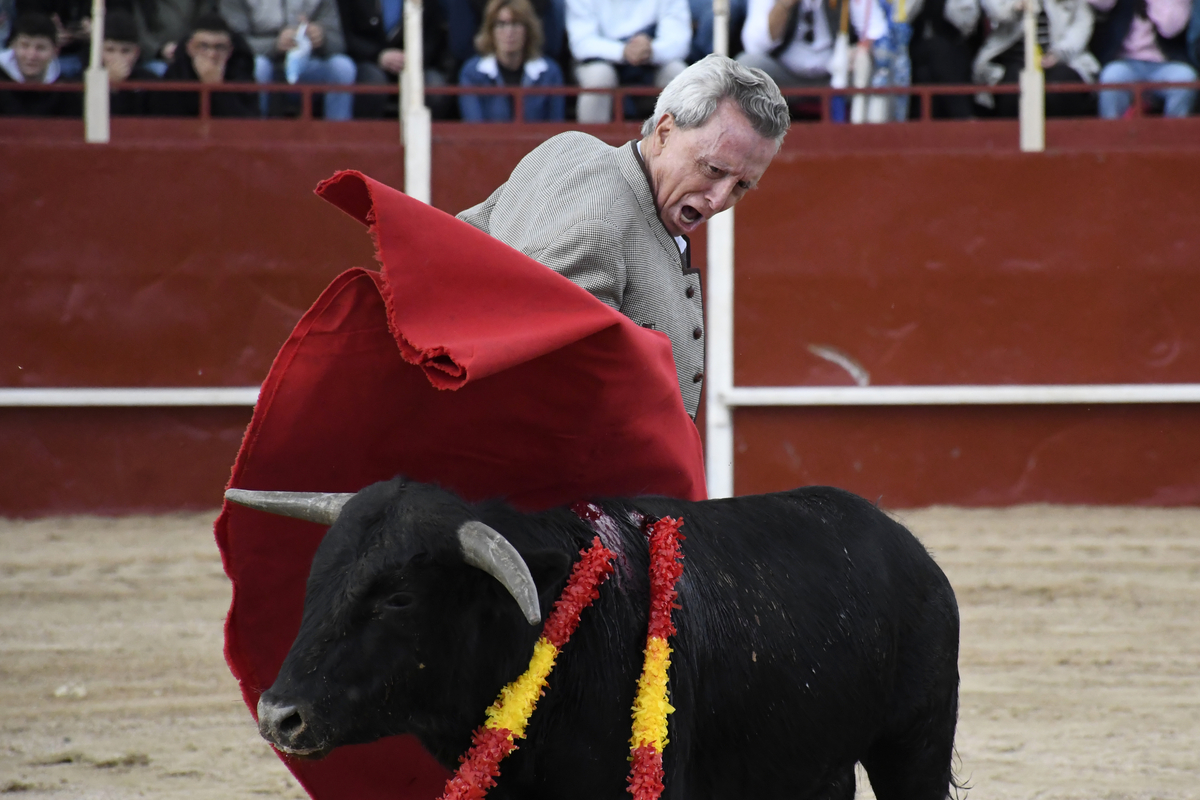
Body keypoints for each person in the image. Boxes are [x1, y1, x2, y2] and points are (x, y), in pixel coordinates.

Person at [457, 55, 788, 418]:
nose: (720, 199)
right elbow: (547, 390)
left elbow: (465, 237)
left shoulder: (568, 147)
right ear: (663, 133)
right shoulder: (602, 228)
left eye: (742, 185)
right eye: (713, 169)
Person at [218, 0, 356, 119]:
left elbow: (339, 44)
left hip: (306, 66)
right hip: (266, 64)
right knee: (259, 66)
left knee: (342, 66)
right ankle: (257, 133)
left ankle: (337, 137)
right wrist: (274, 45)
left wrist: (322, 37)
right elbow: (234, 42)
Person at [566, 0, 691, 123]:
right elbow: (581, 44)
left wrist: (651, 50)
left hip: (652, 62)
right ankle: (590, 141)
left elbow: (679, 42)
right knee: (599, 76)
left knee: (677, 73)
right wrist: (623, 51)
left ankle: (680, 141)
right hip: (601, 61)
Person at [974, 0, 1099, 116]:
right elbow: (996, 10)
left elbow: (1082, 22)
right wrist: (1014, 7)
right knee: (1013, 91)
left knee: (1059, 88)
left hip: (1063, 59)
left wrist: (1060, 53)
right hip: (1012, 59)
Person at [737, 0, 886, 96]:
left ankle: (869, 138)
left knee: (878, 68)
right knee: (746, 66)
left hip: (837, 76)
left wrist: (860, 50)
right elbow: (753, 47)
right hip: (784, 77)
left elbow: (875, 30)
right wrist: (782, 6)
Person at [337, 0, 454, 118]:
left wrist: (413, 58)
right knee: (373, 83)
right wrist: (378, 56)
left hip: (416, 64)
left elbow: (433, 36)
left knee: (434, 86)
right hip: (368, 62)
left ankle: (427, 135)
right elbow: (346, 34)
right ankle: (368, 134)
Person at [458, 0, 565, 121]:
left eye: (516, 24)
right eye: (501, 24)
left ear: (528, 29)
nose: (509, 32)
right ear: (491, 30)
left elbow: (556, 129)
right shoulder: (472, 73)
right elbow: (474, 128)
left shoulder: (549, 73)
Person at [1089, 0, 1196, 117]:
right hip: (1125, 62)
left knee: (1185, 78)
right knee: (1111, 77)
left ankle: (1174, 133)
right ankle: (1111, 133)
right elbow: (1099, 4)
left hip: (1164, 64)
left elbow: (1171, 29)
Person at [149, 12, 258, 116]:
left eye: (219, 47)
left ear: (230, 50)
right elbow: (168, 121)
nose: (212, 54)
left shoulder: (241, 72)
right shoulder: (176, 72)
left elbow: (248, 125)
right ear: (189, 48)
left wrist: (217, 88)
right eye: (203, 46)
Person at [908, 0, 980, 118]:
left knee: (939, 50)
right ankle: (964, 117)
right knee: (924, 73)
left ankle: (963, 117)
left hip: (953, 50)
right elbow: (899, 18)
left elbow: (968, 23)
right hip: (913, 50)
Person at [0, 11, 81, 115]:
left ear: (55, 51)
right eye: (25, 46)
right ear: (13, 47)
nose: (31, 55)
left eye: (41, 48)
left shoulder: (67, 91)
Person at [126, 0, 217, 74]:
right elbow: (139, 31)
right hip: (155, 58)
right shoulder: (142, 4)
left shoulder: (201, 3)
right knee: (161, 71)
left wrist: (191, 47)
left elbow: (204, 25)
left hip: (192, 54)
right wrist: (160, 50)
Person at [99, 8, 160, 115]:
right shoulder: (82, 81)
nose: (117, 57)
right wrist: (110, 86)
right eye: (110, 50)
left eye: (125, 51)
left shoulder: (150, 82)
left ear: (136, 53)